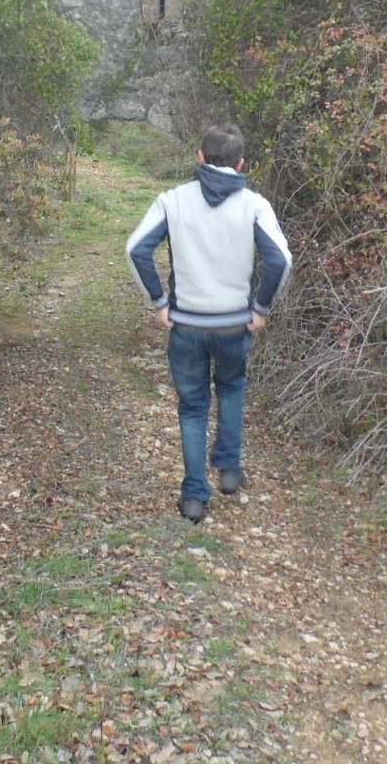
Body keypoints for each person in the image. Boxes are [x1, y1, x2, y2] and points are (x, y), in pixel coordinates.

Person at [126, 124, 292, 523]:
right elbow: (280, 260)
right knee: (232, 387)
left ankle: (195, 497)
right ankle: (230, 469)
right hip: (235, 325)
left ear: (200, 157)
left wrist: (159, 303)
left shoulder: (172, 200)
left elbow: (136, 250)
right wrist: (261, 309)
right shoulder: (255, 205)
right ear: (241, 163)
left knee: (193, 408)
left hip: (187, 325)